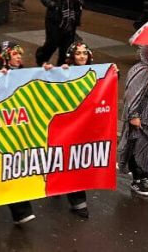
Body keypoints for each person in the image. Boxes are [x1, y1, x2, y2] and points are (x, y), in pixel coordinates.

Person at [0, 41, 36, 224]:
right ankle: (20, 211)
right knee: (8, 168)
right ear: (6, 56)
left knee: (8, 169)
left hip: (18, 131)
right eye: (15, 54)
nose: (19, 57)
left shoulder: (25, 73)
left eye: (20, 53)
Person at [54, 41, 95, 217]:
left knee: (76, 161)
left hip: (85, 128)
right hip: (66, 126)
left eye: (85, 53)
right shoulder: (64, 72)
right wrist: (54, 73)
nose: (82, 56)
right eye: (78, 53)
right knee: (70, 161)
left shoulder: (96, 72)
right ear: (71, 56)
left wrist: (114, 72)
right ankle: (78, 202)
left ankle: (60, 185)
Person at [118, 44, 148, 197]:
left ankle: (146, 176)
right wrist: (133, 115)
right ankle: (137, 180)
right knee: (137, 148)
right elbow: (131, 95)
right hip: (142, 118)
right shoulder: (141, 70)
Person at [35, 0, 83, 66]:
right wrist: (54, 5)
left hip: (70, 20)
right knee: (52, 44)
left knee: (66, 47)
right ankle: (41, 58)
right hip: (55, 20)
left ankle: (61, 66)